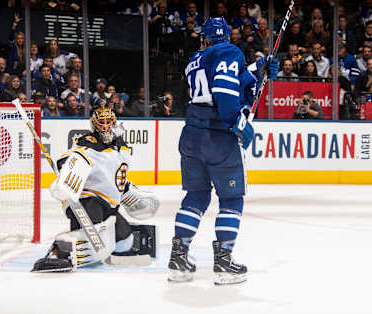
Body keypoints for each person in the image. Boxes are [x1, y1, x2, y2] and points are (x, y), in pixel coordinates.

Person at [167, 17, 278, 284]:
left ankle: (178, 259)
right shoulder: (229, 51)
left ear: (204, 38)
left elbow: (228, 76)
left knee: (196, 196)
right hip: (218, 137)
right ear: (227, 36)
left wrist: (257, 69)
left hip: (192, 134)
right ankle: (224, 262)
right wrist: (239, 123)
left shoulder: (196, 58)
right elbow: (224, 90)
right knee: (231, 199)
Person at [31, 105, 158, 272]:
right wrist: (66, 176)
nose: (105, 127)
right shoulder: (90, 143)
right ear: (94, 125)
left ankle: (94, 244)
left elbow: (118, 178)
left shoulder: (122, 147)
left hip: (109, 205)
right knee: (94, 230)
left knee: (125, 240)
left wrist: (129, 193)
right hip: (87, 200)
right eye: (101, 123)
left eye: (109, 122)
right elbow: (70, 158)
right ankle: (58, 253)